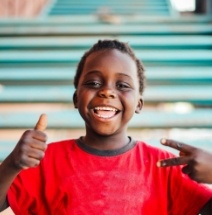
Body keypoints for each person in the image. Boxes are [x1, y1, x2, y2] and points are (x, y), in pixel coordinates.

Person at [0, 39, 212, 214]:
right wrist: (12, 164)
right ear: (76, 98)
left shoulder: (164, 167)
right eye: (93, 83)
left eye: (122, 85)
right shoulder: (44, 162)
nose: (107, 92)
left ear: (138, 104)